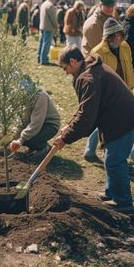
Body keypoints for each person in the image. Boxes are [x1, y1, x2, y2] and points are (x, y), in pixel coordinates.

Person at [53, 45, 134, 212]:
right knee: (110, 158)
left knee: (114, 160)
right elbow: (84, 108)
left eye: (65, 67)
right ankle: (111, 192)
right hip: (116, 117)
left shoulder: (89, 78)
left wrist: (66, 137)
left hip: (123, 119)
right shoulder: (91, 69)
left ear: (74, 61)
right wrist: (69, 126)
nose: (66, 72)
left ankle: (123, 202)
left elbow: (87, 117)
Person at [84, 18, 134, 162]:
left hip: (125, 89)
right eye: (114, 35)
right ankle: (97, 153)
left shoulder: (125, 47)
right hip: (108, 94)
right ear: (107, 36)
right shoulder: (98, 52)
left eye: (120, 34)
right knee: (104, 122)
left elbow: (129, 66)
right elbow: (93, 76)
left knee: (118, 122)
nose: (118, 37)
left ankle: (114, 154)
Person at [9, 80, 61, 161]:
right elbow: (24, 120)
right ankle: (36, 145)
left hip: (49, 125)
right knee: (24, 138)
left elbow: (37, 123)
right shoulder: (23, 97)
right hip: (37, 124)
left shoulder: (40, 96)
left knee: (28, 139)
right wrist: (15, 138)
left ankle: (44, 148)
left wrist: (21, 140)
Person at [37, 0, 58, 65]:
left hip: (42, 26)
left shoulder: (43, 4)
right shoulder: (50, 5)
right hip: (48, 27)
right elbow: (53, 18)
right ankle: (44, 59)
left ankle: (39, 57)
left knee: (41, 43)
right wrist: (56, 26)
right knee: (46, 44)